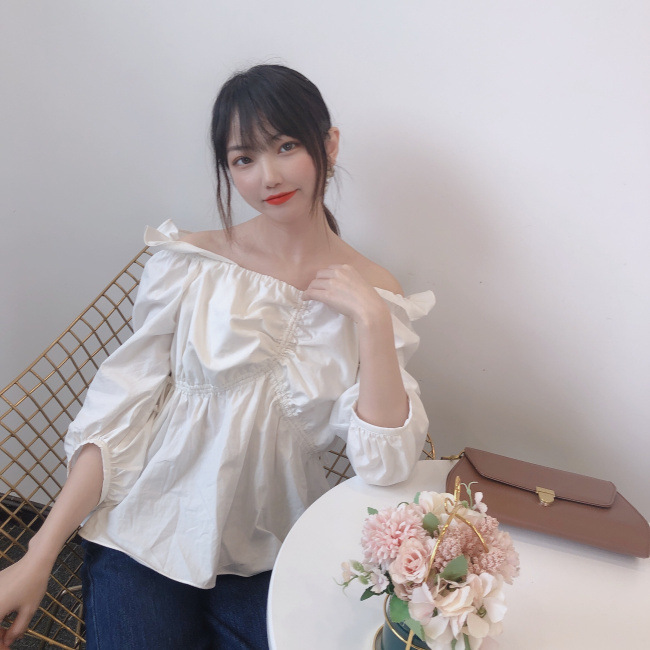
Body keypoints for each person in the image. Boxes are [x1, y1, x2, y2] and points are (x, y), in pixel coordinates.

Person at [0, 64, 434, 649]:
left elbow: (384, 467)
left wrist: (374, 323)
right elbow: (118, 419)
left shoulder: (374, 293)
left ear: (328, 144)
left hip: (272, 547)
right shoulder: (191, 265)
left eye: (286, 146)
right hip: (148, 531)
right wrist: (40, 553)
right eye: (244, 158)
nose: (268, 176)